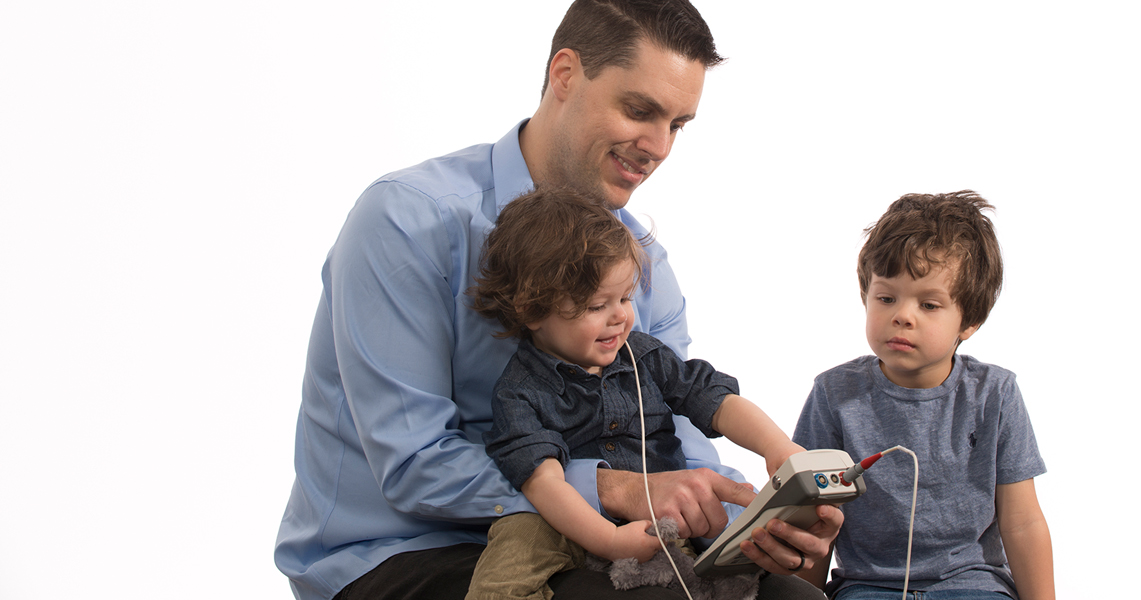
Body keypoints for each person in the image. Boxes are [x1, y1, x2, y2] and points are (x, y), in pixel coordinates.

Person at [274, 2, 841, 599]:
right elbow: (413, 465)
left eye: (677, 124)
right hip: (408, 548)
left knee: (792, 597)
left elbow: (677, 430)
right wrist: (615, 487)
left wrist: (748, 518)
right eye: (640, 110)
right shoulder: (407, 223)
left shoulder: (642, 261)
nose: (659, 146)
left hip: (604, 542)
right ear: (565, 75)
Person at [462, 187, 806, 599]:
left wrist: (777, 447)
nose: (621, 316)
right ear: (533, 310)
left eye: (625, 297)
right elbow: (545, 486)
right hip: (562, 520)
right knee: (511, 554)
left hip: (661, 510)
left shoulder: (643, 355)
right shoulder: (519, 392)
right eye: (597, 306)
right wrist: (608, 541)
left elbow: (715, 401)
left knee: (741, 561)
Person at [792, 191, 1055, 600]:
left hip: (972, 584)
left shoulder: (995, 394)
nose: (902, 315)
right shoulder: (834, 394)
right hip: (868, 585)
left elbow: (1022, 522)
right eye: (886, 298)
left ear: (969, 321)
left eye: (929, 305)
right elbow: (811, 513)